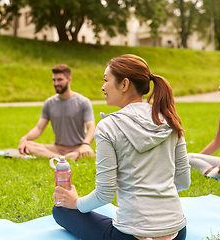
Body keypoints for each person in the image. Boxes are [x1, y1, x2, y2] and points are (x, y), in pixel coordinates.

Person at [52, 54, 190, 240]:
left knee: (61, 210)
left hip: (132, 236)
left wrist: (76, 202)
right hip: (177, 232)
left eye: (106, 80)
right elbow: (183, 181)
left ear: (124, 84)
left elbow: (105, 195)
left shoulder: (108, 127)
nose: (102, 87)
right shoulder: (170, 120)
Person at [18, 64, 95, 160]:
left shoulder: (83, 102)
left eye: (60, 80)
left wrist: (85, 144)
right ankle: (62, 158)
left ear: (69, 80)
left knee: (89, 153)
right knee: (28, 145)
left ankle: (59, 158)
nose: (56, 83)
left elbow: (91, 127)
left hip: (78, 147)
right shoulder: (49, 103)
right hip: (57, 148)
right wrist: (24, 138)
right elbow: (39, 128)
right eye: (54, 80)